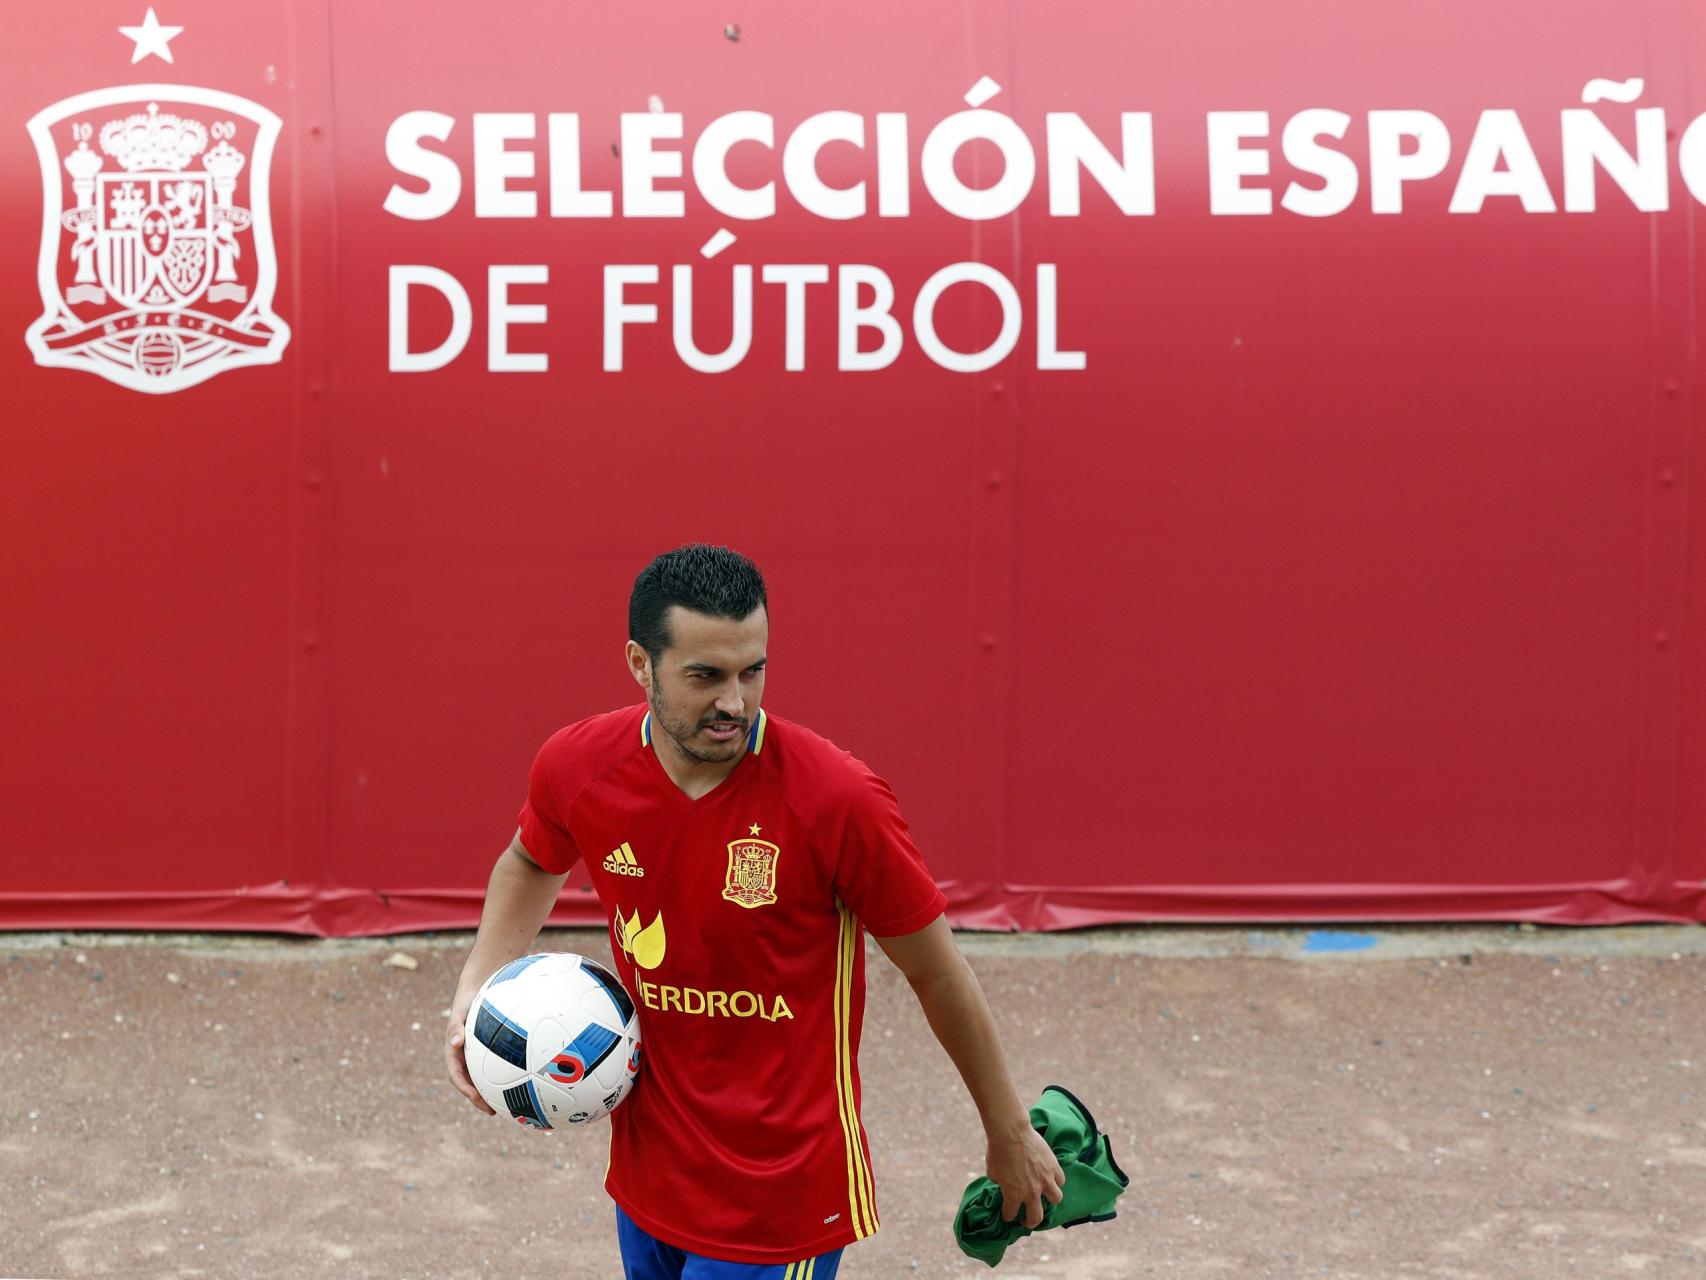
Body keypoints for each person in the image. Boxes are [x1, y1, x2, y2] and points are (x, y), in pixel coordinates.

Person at [445, 544, 1064, 1279]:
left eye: (753, 671)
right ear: (642, 665)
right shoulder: (579, 768)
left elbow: (938, 972)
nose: (734, 702)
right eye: (705, 676)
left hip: (780, 1203)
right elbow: (529, 861)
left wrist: (1008, 1131)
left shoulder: (838, 800)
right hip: (648, 1181)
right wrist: (473, 995)